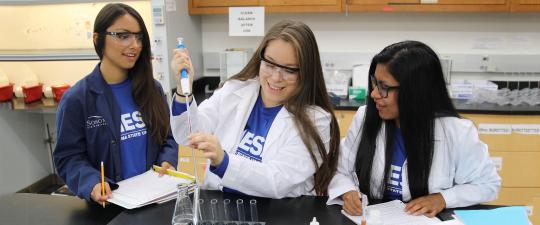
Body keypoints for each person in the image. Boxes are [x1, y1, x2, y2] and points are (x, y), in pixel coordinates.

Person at [327, 41, 501, 217]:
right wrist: (347, 192)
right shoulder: (365, 118)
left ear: (415, 91)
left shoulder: (457, 132)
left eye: (384, 87)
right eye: (374, 83)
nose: (374, 94)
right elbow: (340, 170)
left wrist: (443, 198)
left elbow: (487, 184)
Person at [170, 20, 340, 198]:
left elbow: (277, 181)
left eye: (289, 70)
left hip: (278, 214)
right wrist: (184, 91)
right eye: (270, 64)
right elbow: (187, 134)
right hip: (220, 206)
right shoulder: (235, 90)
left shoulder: (316, 121)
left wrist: (224, 161)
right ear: (260, 59)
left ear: (306, 72)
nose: (275, 77)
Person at [53, 3, 178, 205]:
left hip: (153, 200)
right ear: (97, 39)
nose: (135, 45)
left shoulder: (152, 89)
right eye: (123, 35)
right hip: (109, 206)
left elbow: (167, 138)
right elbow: (68, 157)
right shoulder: (78, 99)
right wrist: (92, 183)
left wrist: (168, 160)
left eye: (138, 37)